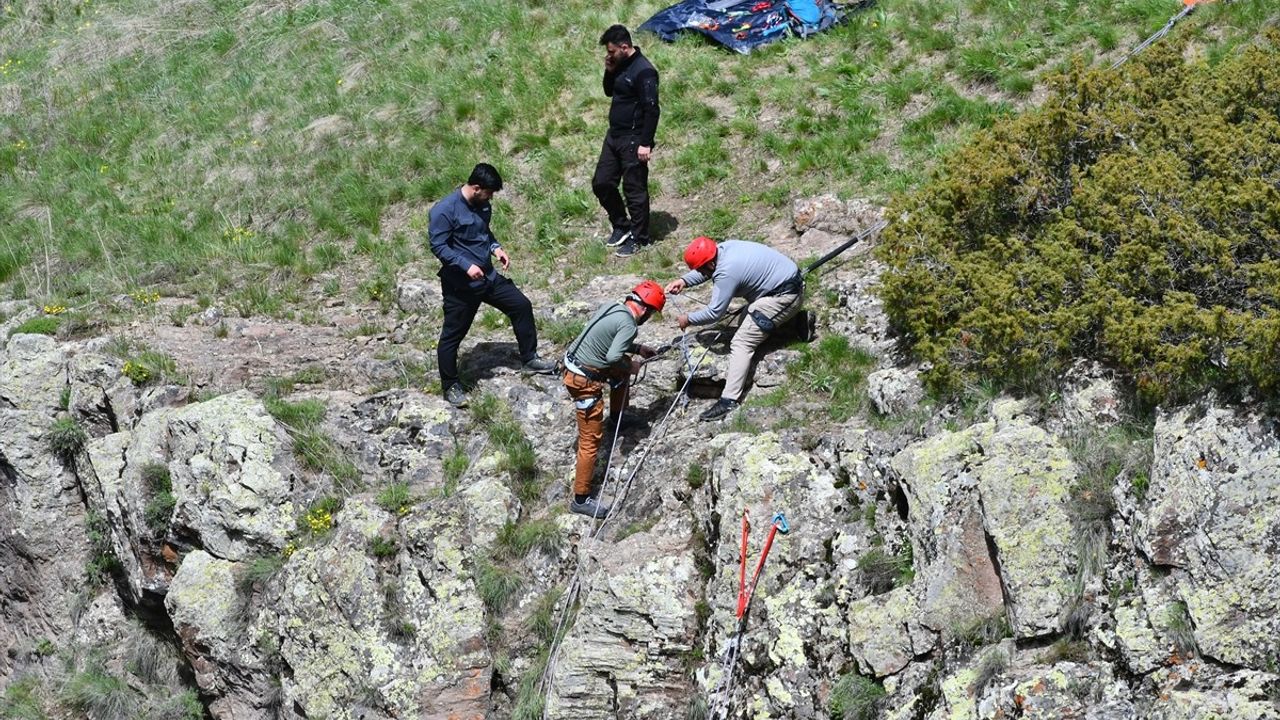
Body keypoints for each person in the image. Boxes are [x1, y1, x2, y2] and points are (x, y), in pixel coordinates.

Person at [428, 162, 556, 408]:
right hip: (460, 287)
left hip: (488, 277)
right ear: (476, 188)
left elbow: (483, 232)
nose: (491, 198)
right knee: (452, 336)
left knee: (521, 305)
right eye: (489, 192)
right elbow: (439, 246)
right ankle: (450, 385)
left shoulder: (481, 204)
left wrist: (495, 248)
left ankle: (529, 359)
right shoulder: (444, 210)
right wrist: (465, 265)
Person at [665, 236, 804, 421]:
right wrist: (684, 281)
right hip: (784, 286)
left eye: (700, 268)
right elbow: (707, 270)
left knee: (741, 342)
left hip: (784, 296)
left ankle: (729, 400)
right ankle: (796, 323)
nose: (700, 271)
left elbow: (715, 313)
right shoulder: (723, 249)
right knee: (746, 319)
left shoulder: (726, 272)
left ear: (710, 264)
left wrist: (688, 319)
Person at [561, 281, 666, 518]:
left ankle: (618, 416)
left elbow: (611, 340)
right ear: (646, 310)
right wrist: (632, 365)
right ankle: (581, 499)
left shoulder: (613, 307)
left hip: (574, 366)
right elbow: (614, 355)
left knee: (620, 370)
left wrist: (637, 348)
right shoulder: (630, 325)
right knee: (590, 441)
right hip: (584, 381)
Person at [593, 24, 661, 259]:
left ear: (624, 47)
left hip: (634, 140)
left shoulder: (645, 72)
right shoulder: (619, 65)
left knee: (634, 190)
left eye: (611, 52)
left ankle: (640, 238)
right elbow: (609, 92)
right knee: (601, 182)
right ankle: (621, 226)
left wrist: (646, 143)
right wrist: (609, 69)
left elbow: (652, 109)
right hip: (614, 136)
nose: (608, 55)